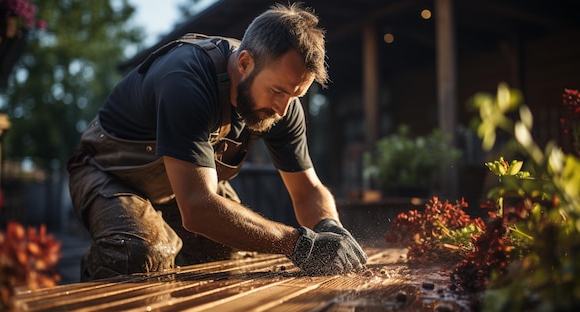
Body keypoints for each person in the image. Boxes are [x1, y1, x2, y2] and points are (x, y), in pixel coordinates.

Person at [67, 3, 367, 281]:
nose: (283, 109)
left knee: (231, 250)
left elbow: (307, 190)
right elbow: (198, 207)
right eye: (277, 91)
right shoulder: (187, 79)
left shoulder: (283, 102)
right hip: (107, 171)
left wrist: (330, 228)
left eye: (295, 95)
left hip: (180, 185)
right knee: (142, 252)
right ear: (245, 63)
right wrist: (298, 243)